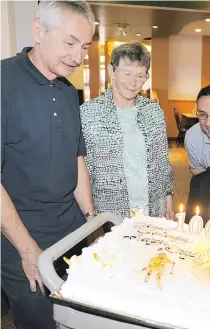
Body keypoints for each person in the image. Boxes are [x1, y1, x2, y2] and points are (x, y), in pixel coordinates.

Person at [1, 1, 95, 329]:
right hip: (21, 241)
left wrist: (91, 222)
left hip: (70, 232)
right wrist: (28, 251)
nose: (78, 57)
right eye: (70, 43)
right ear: (39, 31)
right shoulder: (3, 83)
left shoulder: (70, 92)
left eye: (84, 47)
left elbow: (77, 159)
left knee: (79, 319)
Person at [80, 41, 174, 220]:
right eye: (127, 73)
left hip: (152, 206)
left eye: (140, 76)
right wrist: (90, 215)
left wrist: (168, 198)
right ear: (111, 71)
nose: (133, 83)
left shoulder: (153, 111)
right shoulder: (89, 113)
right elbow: (85, 170)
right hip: (109, 210)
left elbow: (162, 162)